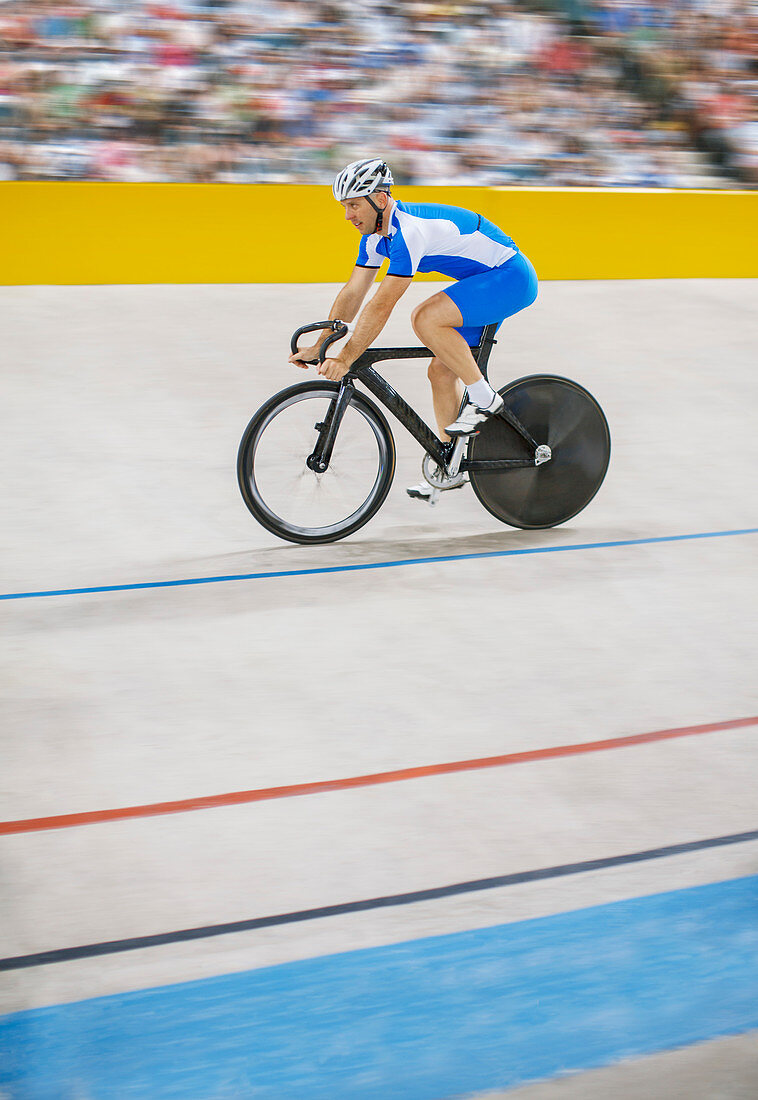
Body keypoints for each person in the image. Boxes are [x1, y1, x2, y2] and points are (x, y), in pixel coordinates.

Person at [288, 157, 538, 501]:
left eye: (353, 205)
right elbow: (354, 292)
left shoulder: (408, 231)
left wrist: (346, 358)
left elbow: (381, 304)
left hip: (509, 277)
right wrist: (322, 344)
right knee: (440, 372)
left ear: (379, 199)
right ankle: (449, 466)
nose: (347, 215)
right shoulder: (376, 237)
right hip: (481, 282)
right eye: (344, 207)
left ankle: (484, 399)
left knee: (425, 317)